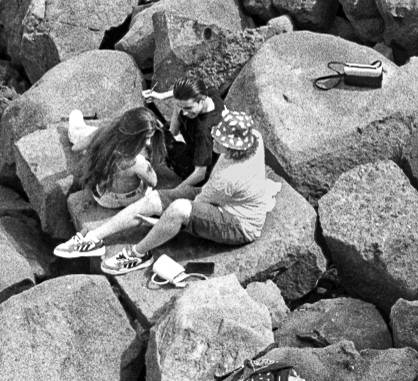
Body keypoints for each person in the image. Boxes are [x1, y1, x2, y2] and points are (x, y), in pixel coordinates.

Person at [52, 109, 279, 275]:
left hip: (238, 223)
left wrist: (159, 222)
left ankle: (138, 254)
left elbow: (196, 207)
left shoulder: (227, 179)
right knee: (153, 198)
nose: (213, 138)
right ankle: (92, 238)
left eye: (219, 139)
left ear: (233, 148)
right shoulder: (255, 139)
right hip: (225, 198)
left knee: (178, 209)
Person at [66, 107, 162, 210]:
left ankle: (75, 118)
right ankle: (76, 118)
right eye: (146, 138)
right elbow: (153, 182)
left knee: (83, 128)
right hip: (131, 200)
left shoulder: (104, 134)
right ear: (134, 137)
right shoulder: (138, 162)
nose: (148, 142)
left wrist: (95, 138)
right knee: (149, 189)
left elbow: (75, 148)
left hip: (103, 198)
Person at [143, 75, 224, 189]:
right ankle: (172, 132)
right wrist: (161, 96)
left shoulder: (203, 131)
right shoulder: (210, 95)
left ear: (202, 99)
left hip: (202, 166)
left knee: (162, 141)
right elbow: (184, 92)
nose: (185, 112)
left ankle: (169, 138)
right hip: (199, 144)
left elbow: (200, 174)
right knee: (178, 109)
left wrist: (176, 190)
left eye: (189, 108)